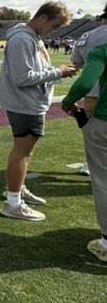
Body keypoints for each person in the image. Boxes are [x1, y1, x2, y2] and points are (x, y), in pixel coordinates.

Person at [0, 1, 78, 221]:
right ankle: (13, 202)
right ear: (42, 17)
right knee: (22, 152)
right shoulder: (23, 39)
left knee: (23, 151)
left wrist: (56, 72)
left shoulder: (30, 37)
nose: (54, 31)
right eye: (54, 26)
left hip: (29, 102)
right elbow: (22, 77)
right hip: (25, 104)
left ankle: (16, 188)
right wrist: (57, 73)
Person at [62, 42, 107, 263]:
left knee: (103, 180)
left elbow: (86, 83)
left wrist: (69, 101)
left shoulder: (103, 50)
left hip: (105, 122)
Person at [70, 3, 107, 177]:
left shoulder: (87, 36)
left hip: (92, 91)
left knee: (92, 133)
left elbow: (77, 63)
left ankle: (88, 164)